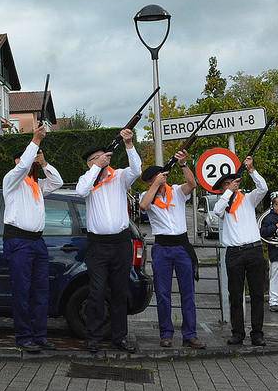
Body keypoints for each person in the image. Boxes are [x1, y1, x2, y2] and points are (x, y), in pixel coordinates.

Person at [75, 129, 141, 353]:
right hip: (98, 245)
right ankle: (93, 337)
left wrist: (129, 144)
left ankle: (119, 337)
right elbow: (80, 191)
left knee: (120, 292)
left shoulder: (119, 177)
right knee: (96, 292)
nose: (104, 159)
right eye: (97, 158)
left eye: (105, 156)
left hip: (121, 243)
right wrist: (96, 167)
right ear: (90, 163)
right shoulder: (88, 180)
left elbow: (137, 170)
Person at [2, 124, 63, 353]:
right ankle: (24, 336)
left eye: (28, 160)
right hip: (19, 241)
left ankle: (40, 335)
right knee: (22, 290)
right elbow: (22, 167)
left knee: (40, 290)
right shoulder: (11, 181)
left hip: (37, 242)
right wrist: (35, 141)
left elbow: (56, 182)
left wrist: (44, 163)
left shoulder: (36, 185)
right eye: (21, 160)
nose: (24, 164)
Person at [139, 150, 205, 349]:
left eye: (161, 177)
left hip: (181, 246)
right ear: (151, 182)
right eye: (155, 179)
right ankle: (166, 333)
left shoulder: (176, 191)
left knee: (188, 293)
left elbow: (192, 185)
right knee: (163, 293)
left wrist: (184, 165)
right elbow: (143, 205)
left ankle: (190, 334)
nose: (160, 181)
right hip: (162, 247)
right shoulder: (147, 194)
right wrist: (155, 185)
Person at [213, 156, 268, 346]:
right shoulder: (223, 203)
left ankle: (257, 333)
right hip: (234, 253)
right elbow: (216, 211)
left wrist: (251, 170)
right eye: (226, 184)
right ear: (223, 189)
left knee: (257, 294)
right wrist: (228, 192)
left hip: (253, 250)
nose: (231, 186)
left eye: (232, 182)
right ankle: (237, 332)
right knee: (235, 294)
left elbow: (263, 188)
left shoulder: (248, 199)